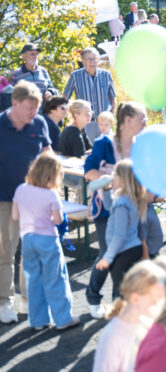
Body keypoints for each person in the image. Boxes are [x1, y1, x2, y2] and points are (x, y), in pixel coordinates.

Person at [85, 101, 148, 319]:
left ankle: (119, 305)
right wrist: (110, 180)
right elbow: (88, 172)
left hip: (133, 210)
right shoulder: (104, 143)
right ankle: (93, 297)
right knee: (107, 253)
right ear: (128, 120)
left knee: (125, 257)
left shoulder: (142, 145)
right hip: (106, 209)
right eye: (143, 118)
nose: (146, 122)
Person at [0, 81, 51, 324]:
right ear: (15, 103)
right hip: (5, 199)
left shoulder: (39, 123)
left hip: (33, 199)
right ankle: (4, 302)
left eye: (37, 108)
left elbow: (47, 153)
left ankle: (28, 300)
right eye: (30, 108)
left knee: (31, 251)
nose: (34, 113)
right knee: (6, 252)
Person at [11, 154, 78, 330]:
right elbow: (57, 221)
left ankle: (38, 321)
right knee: (55, 280)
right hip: (47, 239)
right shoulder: (51, 195)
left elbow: (15, 216)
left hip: (27, 240)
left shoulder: (20, 189)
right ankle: (63, 319)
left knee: (33, 281)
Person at [90, 260, 166, 372]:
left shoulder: (147, 324)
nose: (159, 306)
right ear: (136, 298)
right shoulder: (114, 335)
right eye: (155, 300)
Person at [94, 159, 145, 301]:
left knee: (121, 292)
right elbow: (109, 206)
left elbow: (119, 235)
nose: (112, 176)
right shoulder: (128, 198)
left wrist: (107, 258)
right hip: (132, 249)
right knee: (128, 290)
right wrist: (105, 190)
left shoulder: (122, 203)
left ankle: (120, 319)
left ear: (123, 180)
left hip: (123, 252)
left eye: (114, 174)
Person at [63, 47, 117, 142]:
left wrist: (111, 116)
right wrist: (73, 116)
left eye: (95, 58)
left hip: (104, 123)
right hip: (85, 123)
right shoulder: (75, 76)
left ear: (99, 60)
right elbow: (65, 98)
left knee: (107, 152)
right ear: (83, 61)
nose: (92, 61)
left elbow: (113, 98)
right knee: (87, 152)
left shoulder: (106, 74)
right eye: (89, 59)